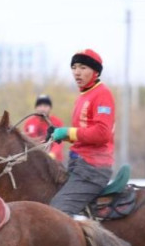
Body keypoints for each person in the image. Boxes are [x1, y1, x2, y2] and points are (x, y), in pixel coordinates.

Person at [49, 49, 115, 220]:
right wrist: (63, 135)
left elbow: (102, 133)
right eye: (74, 67)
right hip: (78, 165)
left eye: (83, 67)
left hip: (92, 169)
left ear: (95, 71)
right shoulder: (84, 95)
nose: (76, 72)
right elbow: (85, 133)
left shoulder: (102, 94)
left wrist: (68, 131)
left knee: (56, 215)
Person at [23, 94, 65, 162]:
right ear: (36, 108)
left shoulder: (57, 122)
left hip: (54, 161)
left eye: (45, 106)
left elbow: (58, 143)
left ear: (50, 108)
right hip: (35, 161)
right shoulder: (29, 123)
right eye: (40, 106)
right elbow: (26, 143)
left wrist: (51, 155)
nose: (42, 108)